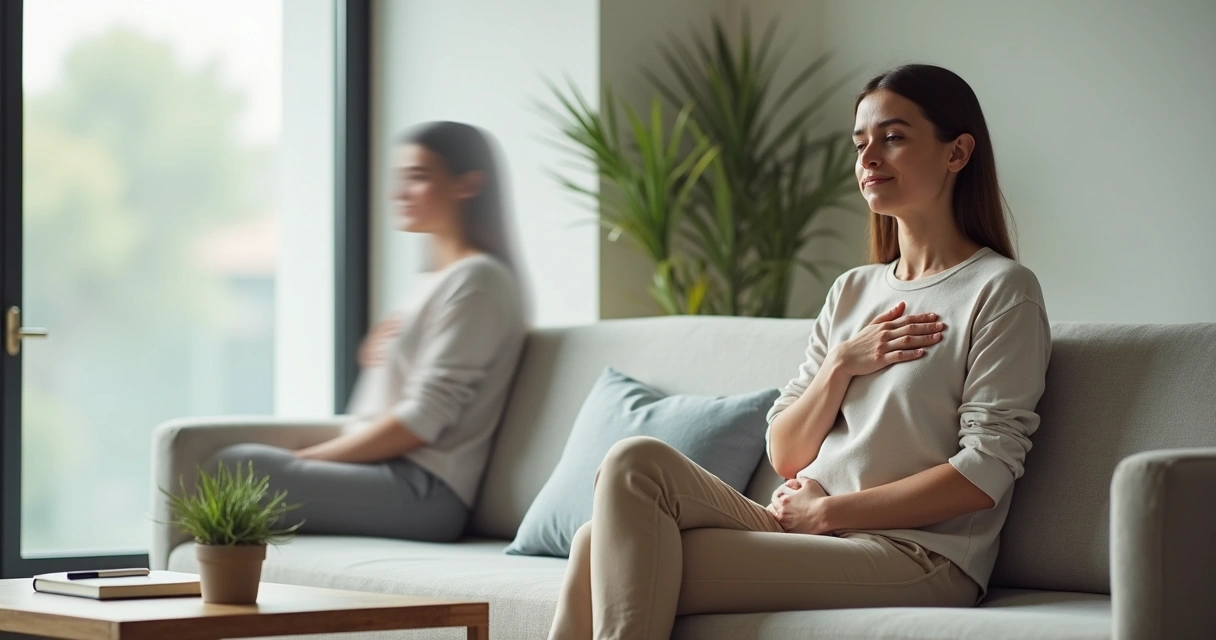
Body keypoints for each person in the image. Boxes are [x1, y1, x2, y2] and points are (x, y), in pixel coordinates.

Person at [547, 64, 1052, 640]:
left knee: (601, 552)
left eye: (893, 137)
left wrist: (830, 512)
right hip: (805, 527)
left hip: (917, 556)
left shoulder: (1002, 290)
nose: (868, 159)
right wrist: (842, 363)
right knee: (632, 466)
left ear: (957, 152)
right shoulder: (853, 291)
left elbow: (983, 473)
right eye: (860, 143)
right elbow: (786, 451)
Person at [210, 121, 528, 543]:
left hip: (424, 491)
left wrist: (306, 461)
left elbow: (421, 421)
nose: (398, 192)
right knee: (233, 464)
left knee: (238, 468)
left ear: (467, 185)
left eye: (417, 177)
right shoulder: (437, 280)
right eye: (400, 178)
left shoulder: (479, 281)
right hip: (388, 474)